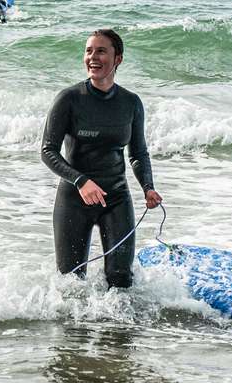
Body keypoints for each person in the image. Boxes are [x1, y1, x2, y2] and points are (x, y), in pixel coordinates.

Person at [39, 29, 161, 288]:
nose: (92, 57)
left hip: (116, 198)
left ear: (118, 59)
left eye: (101, 51)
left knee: (121, 280)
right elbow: (48, 150)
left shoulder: (131, 103)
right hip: (74, 200)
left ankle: (119, 330)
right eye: (88, 51)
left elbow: (138, 153)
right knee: (71, 284)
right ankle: (73, 330)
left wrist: (148, 188)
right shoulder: (69, 99)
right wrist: (80, 181)